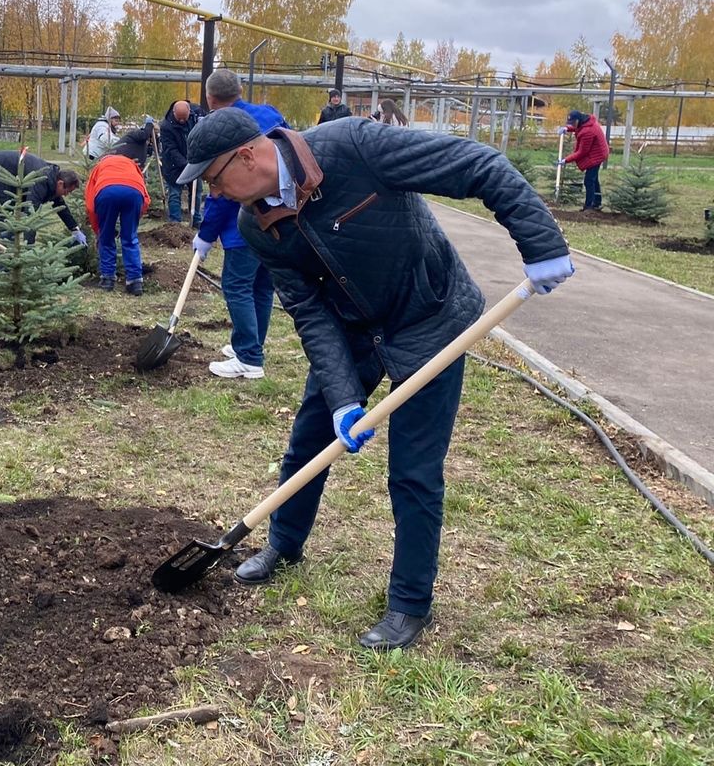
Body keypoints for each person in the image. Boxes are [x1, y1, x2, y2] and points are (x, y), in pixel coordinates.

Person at [177, 108, 573, 650]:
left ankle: (409, 604)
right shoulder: (255, 222)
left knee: (414, 471)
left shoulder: (353, 146)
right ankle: (284, 543)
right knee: (308, 440)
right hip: (350, 330)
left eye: (215, 179)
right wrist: (342, 400)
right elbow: (309, 312)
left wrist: (541, 243)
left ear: (248, 155)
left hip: (430, 320)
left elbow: (478, 164)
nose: (216, 193)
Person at [195, 69, 279, 378]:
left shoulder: (223, 132)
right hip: (278, 221)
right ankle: (252, 343)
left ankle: (249, 357)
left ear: (210, 98)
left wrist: (205, 235)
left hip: (244, 226)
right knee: (262, 285)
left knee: (237, 285)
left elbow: (222, 194)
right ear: (240, 91)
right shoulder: (269, 116)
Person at [0, 150, 85, 246]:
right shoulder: (41, 181)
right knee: (7, 218)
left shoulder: (51, 179)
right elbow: (31, 215)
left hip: (1, 176)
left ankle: (7, 255)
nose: (66, 195)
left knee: (10, 216)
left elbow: (60, 205)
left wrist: (75, 229)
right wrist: (29, 248)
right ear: (60, 183)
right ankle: (4, 262)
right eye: (67, 191)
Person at [84, 153, 150, 295]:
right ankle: (135, 282)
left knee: (106, 238)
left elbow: (90, 206)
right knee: (130, 238)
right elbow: (145, 198)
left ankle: (107, 279)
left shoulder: (99, 167)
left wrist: (98, 231)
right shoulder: (132, 164)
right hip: (134, 192)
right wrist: (134, 221)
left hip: (107, 191)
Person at [159, 99, 204, 225]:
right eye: (180, 119)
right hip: (174, 165)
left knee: (197, 192)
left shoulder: (196, 114)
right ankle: (175, 223)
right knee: (174, 192)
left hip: (194, 161)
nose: (183, 121)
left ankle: (196, 221)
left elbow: (208, 119)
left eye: (185, 118)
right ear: (174, 113)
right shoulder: (166, 126)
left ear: (189, 111)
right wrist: (186, 164)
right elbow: (171, 149)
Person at [559, 110, 609, 211]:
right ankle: (597, 202)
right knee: (594, 179)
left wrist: (566, 160)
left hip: (597, 155)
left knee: (589, 180)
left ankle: (589, 206)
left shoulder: (588, 131)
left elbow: (582, 152)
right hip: (596, 151)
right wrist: (567, 129)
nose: (572, 124)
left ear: (578, 120)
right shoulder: (585, 123)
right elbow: (577, 128)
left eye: (573, 122)